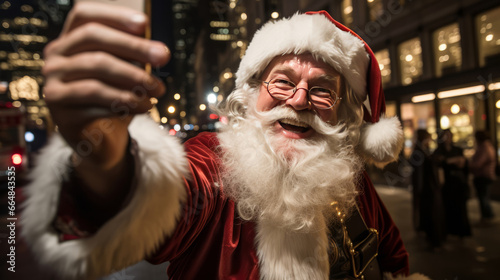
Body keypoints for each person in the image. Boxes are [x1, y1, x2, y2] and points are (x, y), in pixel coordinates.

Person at [20, 3, 429, 280]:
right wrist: (105, 156)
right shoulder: (212, 163)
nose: (299, 100)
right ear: (253, 93)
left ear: (342, 113)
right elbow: (157, 202)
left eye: (322, 90)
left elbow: (394, 259)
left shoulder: (351, 182)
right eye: (283, 82)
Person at [409, 129, 445, 249]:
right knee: (429, 213)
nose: (430, 140)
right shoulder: (419, 152)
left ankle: (426, 233)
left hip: (425, 189)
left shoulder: (421, 151)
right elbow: (419, 173)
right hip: (425, 189)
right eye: (429, 138)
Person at [433, 129, 472, 238]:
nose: (448, 138)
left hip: (458, 182)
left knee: (460, 207)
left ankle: (461, 231)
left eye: (449, 136)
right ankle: (449, 230)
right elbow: (438, 163)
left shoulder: (457, 149)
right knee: (447, 206)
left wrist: (450, 161)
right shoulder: (439, 151)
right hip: (446, 183)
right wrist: (452, 161)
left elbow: (463, 163)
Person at [470, 130, 497, 223]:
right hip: (484, 175)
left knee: (483, 198)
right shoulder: (486, 146)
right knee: (484, 197)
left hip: (484, 176)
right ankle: (487, 216)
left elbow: (479, 163)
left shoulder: (484, 147)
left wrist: (468, 165)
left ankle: (487, 217)